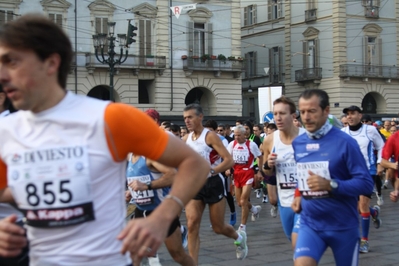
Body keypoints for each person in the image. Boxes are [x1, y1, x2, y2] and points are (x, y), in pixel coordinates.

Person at [0, 14, 210, 265]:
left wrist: (163, 216)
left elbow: (195, 164)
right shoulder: (5, 131)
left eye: (11, 62)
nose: (2, 74)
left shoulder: (111, 118)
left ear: (50, 63)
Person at [291, 89, 373, 266]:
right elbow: (303, 173)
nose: (306, 117)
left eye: (312, 111)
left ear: (326, 111)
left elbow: (366, 184)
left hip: (342, 226)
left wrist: (331, 185)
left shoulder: (345, 142)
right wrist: (298, 194)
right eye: (302, 111)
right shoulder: (299, 143)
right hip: (310, 224)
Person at [182, 104, 247, 263]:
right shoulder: (186, 138)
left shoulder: (209, 136)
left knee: (218, 227)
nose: (187, 121)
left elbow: (229, 160)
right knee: (192, 224)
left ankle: (239, 237)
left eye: (190, 117)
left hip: (213, 183)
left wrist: (211, 171)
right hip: (195, 185)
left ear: (200, 117)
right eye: (185, 118)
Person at [126, 153, 194, 266]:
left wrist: (146, 185)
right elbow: (137, 179)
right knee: (133, 254)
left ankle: (180, 231)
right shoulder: (129, 156)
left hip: (161, 213)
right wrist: (131, 192)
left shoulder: (149, 157)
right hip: (140, 211)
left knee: (178, 256)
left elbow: (173, 175)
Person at [262, 96, 306, 249]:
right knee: (291, 238)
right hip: (285, 200)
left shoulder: (307, 137)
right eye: (275, 114)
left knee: (298, 242)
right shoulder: (270, 140)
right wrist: (268, 164)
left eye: (282, 113)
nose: (278, 118)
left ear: (293, 116)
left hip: (306, 200)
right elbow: (265, 172)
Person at [342, 105, 383, 253]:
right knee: (357, 208)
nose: (350, 116)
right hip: (350, 173)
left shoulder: (370, 130)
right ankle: (373, 213)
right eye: (348, 114)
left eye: (353, 113)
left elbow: (381, 146)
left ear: (360, 115)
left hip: (367, 171)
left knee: (363, 205)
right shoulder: (343, 133)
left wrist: (379, 164)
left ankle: (364, 241)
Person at [226, 125, 263, 232]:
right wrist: (228, 168)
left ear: (244, 135)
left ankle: (242, 227)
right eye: (235, 135)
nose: (236, 137)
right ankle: (254, 209)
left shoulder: (251, 145)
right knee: (239, 202)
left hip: (248, 173)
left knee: (243, 200)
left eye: (239, 135)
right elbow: (227, 158)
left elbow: (259, 156)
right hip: (236, 174)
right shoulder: (232, 144)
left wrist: (259, 170)